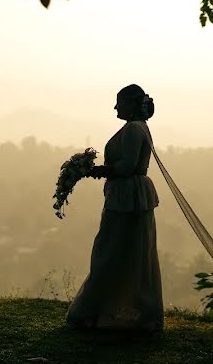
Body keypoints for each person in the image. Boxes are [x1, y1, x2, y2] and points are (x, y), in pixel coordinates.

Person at [65, 84, 164, 331]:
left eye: (119, 102)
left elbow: (127, 166)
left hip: (127, 195)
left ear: (131, 104)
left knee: (109, 249)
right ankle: (120, 308)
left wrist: (97, 170)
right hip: (131, 194)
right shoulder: (140, 127)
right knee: (128, 251)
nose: (115, 107)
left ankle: (97, 309)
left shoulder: (133, 129)